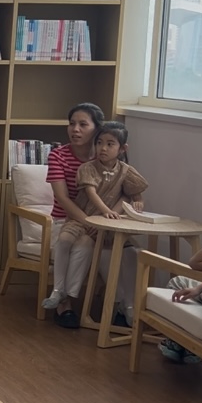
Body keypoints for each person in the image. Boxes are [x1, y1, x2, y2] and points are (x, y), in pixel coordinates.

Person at [43, 104, 139, 328]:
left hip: (103, 223)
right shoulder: (58, 155)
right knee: (82, 245)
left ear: (97, 129)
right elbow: (63, 199)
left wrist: (104, 221)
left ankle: (123, 307)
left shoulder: (109, 154)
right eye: (72, 124)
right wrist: (89, 222)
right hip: (67, 219)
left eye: (83, 124)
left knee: (128, 252)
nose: (75, 129)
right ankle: (64, 303)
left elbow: (127, 192)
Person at [57, 122, 148, 243]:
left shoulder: (126, 172)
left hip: (107, 222)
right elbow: (91, 192)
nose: (103, 148)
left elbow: (137, 197)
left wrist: (138, 203)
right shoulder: (88, 168)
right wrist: (107, 211)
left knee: (87, 243)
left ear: (122, 149)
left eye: (110, 144)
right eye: (99, 143)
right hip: (82, 219)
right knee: (65, 239)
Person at [159, 237, 202, 364]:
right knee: (187, 287)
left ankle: (178, 342)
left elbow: (195, 262)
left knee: (176, 282)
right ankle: (184, 346)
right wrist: (198, 289)